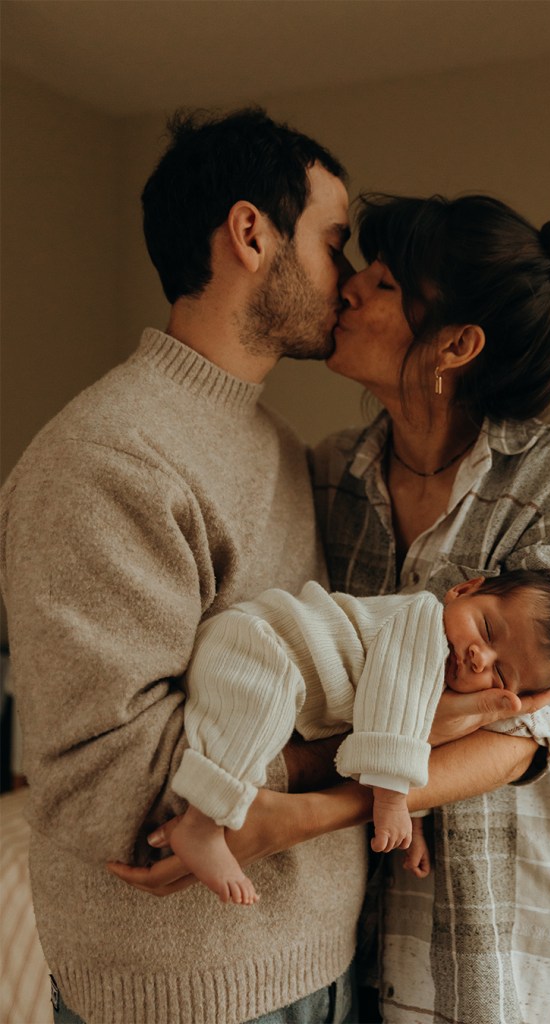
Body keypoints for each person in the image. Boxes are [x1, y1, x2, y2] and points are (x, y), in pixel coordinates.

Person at [112, 192, 550, 1024]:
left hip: (507, 943)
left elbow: (525, 729)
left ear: (456, 345)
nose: (350, 288)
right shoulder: (327, 474)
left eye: (387, 283)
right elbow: (311, 675)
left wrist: (302, 815)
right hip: (354, 939)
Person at [0, 106, 366, 1024]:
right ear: (252, 234)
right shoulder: (104, 458)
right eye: (334, 242)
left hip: (321, 958)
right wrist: (360, 747)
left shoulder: (279, 447)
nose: (352, 280)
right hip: (190, 990)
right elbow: (107, 776)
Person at [169, 569, 550, 903]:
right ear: (465, 589)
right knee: (255, 718)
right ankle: (200, 825)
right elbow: (394, 699)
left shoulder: (439, 673)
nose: (481, 656)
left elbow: (410, 732)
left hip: (268, 666)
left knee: (252, 731)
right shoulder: (424, 620)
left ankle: (200, 811)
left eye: (500, 673)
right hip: (259, 645)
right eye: (488, 630)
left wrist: (414, 823)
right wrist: (390, 800)